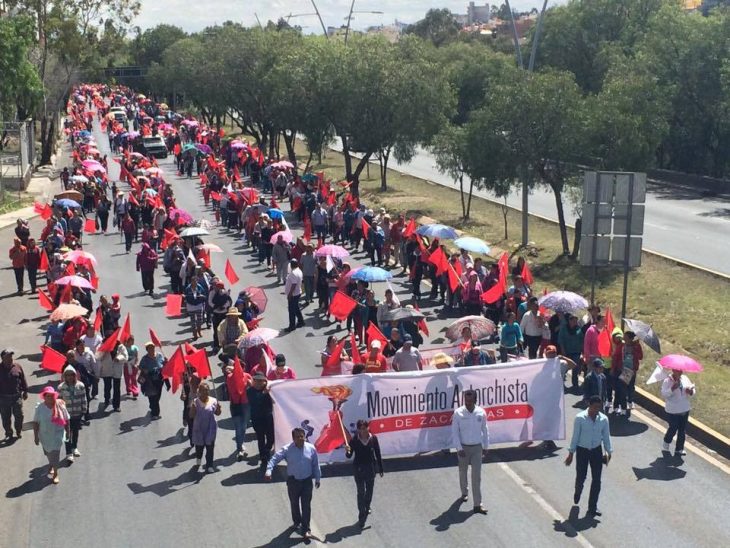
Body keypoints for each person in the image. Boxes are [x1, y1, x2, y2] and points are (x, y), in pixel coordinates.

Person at [265, 427, 322, 539]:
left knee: (306, 506)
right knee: (294, 504)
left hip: (306, 482)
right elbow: (274, 459)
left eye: (302, 436)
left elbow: (316, 464)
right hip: (293, 482)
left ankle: (306, 529)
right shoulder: (287, 449)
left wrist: (318, 478)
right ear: (293, 438)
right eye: (298, 437)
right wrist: (268, 470)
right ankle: (297, 522)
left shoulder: (311, 448)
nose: (301, 439)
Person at [565, 395, 613, 517]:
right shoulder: (580, 418)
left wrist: (609, 451)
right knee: (581, 476)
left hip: (596, 451)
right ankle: (578, 491)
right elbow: (575, 437)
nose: (597, 410)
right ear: (589, 405)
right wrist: (571, 453)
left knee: (597, 480)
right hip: (582, 451)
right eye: (595, 407)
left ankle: (592, 507)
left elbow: (606, 437)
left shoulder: (604, 420)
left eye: (599, 407)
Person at [452, 389, 489, 514]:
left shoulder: (481, 413)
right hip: (463, 448)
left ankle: (477, 504)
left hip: (477, 448)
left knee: (476, 476)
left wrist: (486, 447)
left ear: (475, 400)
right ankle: (464, 492)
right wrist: (459, 448)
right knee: (463, 472)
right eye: (466, 400)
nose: (467, 402)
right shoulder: (458, 413)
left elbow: (485, 430)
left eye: (470, 400)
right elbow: (455, 432)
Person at [345, 419, 384, 528]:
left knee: (369, 490)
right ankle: (361, 516)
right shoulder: (354, 440)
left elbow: (378, 453)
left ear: (368, 428)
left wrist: (380, 468)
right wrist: (347, 450)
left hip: (370, 469)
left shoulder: (373, 438)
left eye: (365, 428)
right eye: (361, 429)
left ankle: (367, 506)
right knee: (361, 492)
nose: (363, 431)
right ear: (358, 430)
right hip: (359, 469)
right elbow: (349, 455)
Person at [32, 387, 70, 485]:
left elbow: (66, 419)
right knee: (48, 452)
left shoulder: (60, 406)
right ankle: (51, 464)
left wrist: (68, 431)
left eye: (51, 396)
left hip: (58, 434)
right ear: (44, 397)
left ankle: (56, 473)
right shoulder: (40, 408)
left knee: (55, 453)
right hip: (44, 436)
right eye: (47, 396)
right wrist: (36, 436)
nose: (50, 398)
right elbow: (35, 423)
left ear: (54, 396)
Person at [661, 369, 695, 456]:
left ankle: (679, 449)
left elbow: (692, 389)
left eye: (681, 371)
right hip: (673, 410)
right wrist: (672, 388)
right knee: (673, 428)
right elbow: (664, 394)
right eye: (678, 371)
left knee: (682, 430)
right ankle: (667, 441)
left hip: (684, 408)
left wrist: (690, 391)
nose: (680, 372)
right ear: (673, 370)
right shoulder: (667, 381)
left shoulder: (685, 378)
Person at [189, 382, 221, 473]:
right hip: (199, 428)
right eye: (203, 390)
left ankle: (209, 465)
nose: (205, 392)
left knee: (210, 447)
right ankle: (198, 458)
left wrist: (219, 408)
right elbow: (191, 416)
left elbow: (218, 413)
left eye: (207, 390)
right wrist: (193, 409)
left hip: (211, 428)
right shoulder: (195, 402)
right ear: (199, 391)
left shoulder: (214, 401)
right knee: (199, 447)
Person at [57, 366, 87, 463]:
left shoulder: (80, 385)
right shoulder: (61, 387)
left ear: (74, 376)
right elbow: (58, 401)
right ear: (64, 376)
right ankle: (68, 453)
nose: (69, 377)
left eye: (71, 375)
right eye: (67, 375)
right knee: (67, 434)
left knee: (75, 432)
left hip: (77, 413)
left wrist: (84, 410)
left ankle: (74, 447)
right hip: (66, 415)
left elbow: (84, 398)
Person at [224, 361, 252, 460]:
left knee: (243, 427)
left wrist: (249, 383)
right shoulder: (230, 377)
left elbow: (252, 386)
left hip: (245, 405)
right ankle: (239, 448)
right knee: (238, 427)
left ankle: (240, 444)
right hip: (235, 405)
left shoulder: (247, 376)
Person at [0, 348, 28, 439]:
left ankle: (18, 430)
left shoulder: (17, 366)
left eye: (11, 356)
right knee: (5, 417)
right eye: (8, 357)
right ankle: (8, 433)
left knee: (19, 415)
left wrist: (25, 391)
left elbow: (23, 379)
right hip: (3, 398)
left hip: (17, 396)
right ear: (2, 358)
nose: (10, 358)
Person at [248, 373, 274, 466]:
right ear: (253, 381)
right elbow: (255, 402)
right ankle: (263, 457)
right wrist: (264, 393)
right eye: (256, 381)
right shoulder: (250, 391)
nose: (259, 383)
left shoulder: (269, 390)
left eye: (261, 381)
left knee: (271, 438)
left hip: (268, 418)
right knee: (261, 438)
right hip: (257, 419)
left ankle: (267, 450)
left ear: (264, 381)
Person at [138, 342, 168, 419]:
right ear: (147, 350)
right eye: (149, 348)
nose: (151, 349)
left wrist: (166, 362)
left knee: (157, 395)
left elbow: (163, 364)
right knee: (152, 395)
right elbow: (140, 366)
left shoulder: (159, 355)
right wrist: (144, 370)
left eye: (152, 347)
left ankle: (152, 406)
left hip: (159, 378)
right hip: (150, 380)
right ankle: (155, 413)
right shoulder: (145, 359)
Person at [98, 341, 127, 412]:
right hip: (107, 370)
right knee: (107, 386)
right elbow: (98, 357)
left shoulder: (120, 346)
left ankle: (116, 405)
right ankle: (107, 398)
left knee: (117, 388)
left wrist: (119, 358)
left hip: (116, 370)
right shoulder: (103, 345)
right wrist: (104, 352)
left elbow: (125, 356)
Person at [284, 259, 305, 332]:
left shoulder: (293, 273)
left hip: (293, 294)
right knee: (296, 308)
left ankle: (292, 326)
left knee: (291, 310)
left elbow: (293, 284)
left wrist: (290, 294)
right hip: (297, 293)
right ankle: (301, 321)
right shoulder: (299, 271)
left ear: (292, 265)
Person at [123, 335, 140, 400]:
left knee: (133, 378)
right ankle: (128, 388)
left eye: (133, 340)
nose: (132, 342)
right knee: (127, 378)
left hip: (133, 365)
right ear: (128, 341)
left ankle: (135, 392)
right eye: (131, 340)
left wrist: (136, 363)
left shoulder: (135, 347)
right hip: (126, 365)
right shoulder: (124, 348)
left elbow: (136, 356)